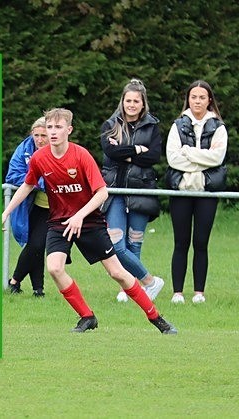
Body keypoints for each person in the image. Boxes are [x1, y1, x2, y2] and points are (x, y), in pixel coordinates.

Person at [0, 108, 177, 334]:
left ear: (68, 130)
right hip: (60, 222)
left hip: (89, 221)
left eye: (58, 127)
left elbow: (102, 193)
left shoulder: (80, 155)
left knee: (117, 273)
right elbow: (28, 184)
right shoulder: (39, 158)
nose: (52, 132)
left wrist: (79, 215)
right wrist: (6, 212)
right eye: (49, 127)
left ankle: (156, 318)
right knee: (54, 268)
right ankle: (87, 317)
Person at [99, 79, 165, 303]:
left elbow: (153, 157)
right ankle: (150, 282)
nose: (132, 104)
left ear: (143, 103)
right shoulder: (110, 124)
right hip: (115, 189)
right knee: (117, 244)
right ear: (123, 101)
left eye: (136, 101)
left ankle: (130, 290)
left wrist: (124, 152)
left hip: (142, 189)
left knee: (134, 242)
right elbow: (109, 153)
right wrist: (137, 150)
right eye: (128, 100)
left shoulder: (152, 126)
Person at [165, 80, 228, 304]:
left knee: (201, 242)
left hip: (206, 192)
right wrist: (202, 158)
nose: (197, 101)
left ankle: (199, 293)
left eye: (202, 97)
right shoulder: (177, 125)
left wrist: (188, 152)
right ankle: (177, 293)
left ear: (209, 100)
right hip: (181, 192)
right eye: (194, 97)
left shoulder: (218, 127)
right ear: (188, 99)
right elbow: (173, 158)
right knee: (180, 242)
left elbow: (217, 158)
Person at [5, 117, 49, 297]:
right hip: (34, 205)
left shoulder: (61, 150)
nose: (39, 139)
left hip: (59, 207)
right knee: (36, 245)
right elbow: (12, 175)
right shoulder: (23, 150)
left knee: (37, 244)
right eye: (36, 135)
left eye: (43, 135)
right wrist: (38, 181)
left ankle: (14, 281)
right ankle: (38, 290)